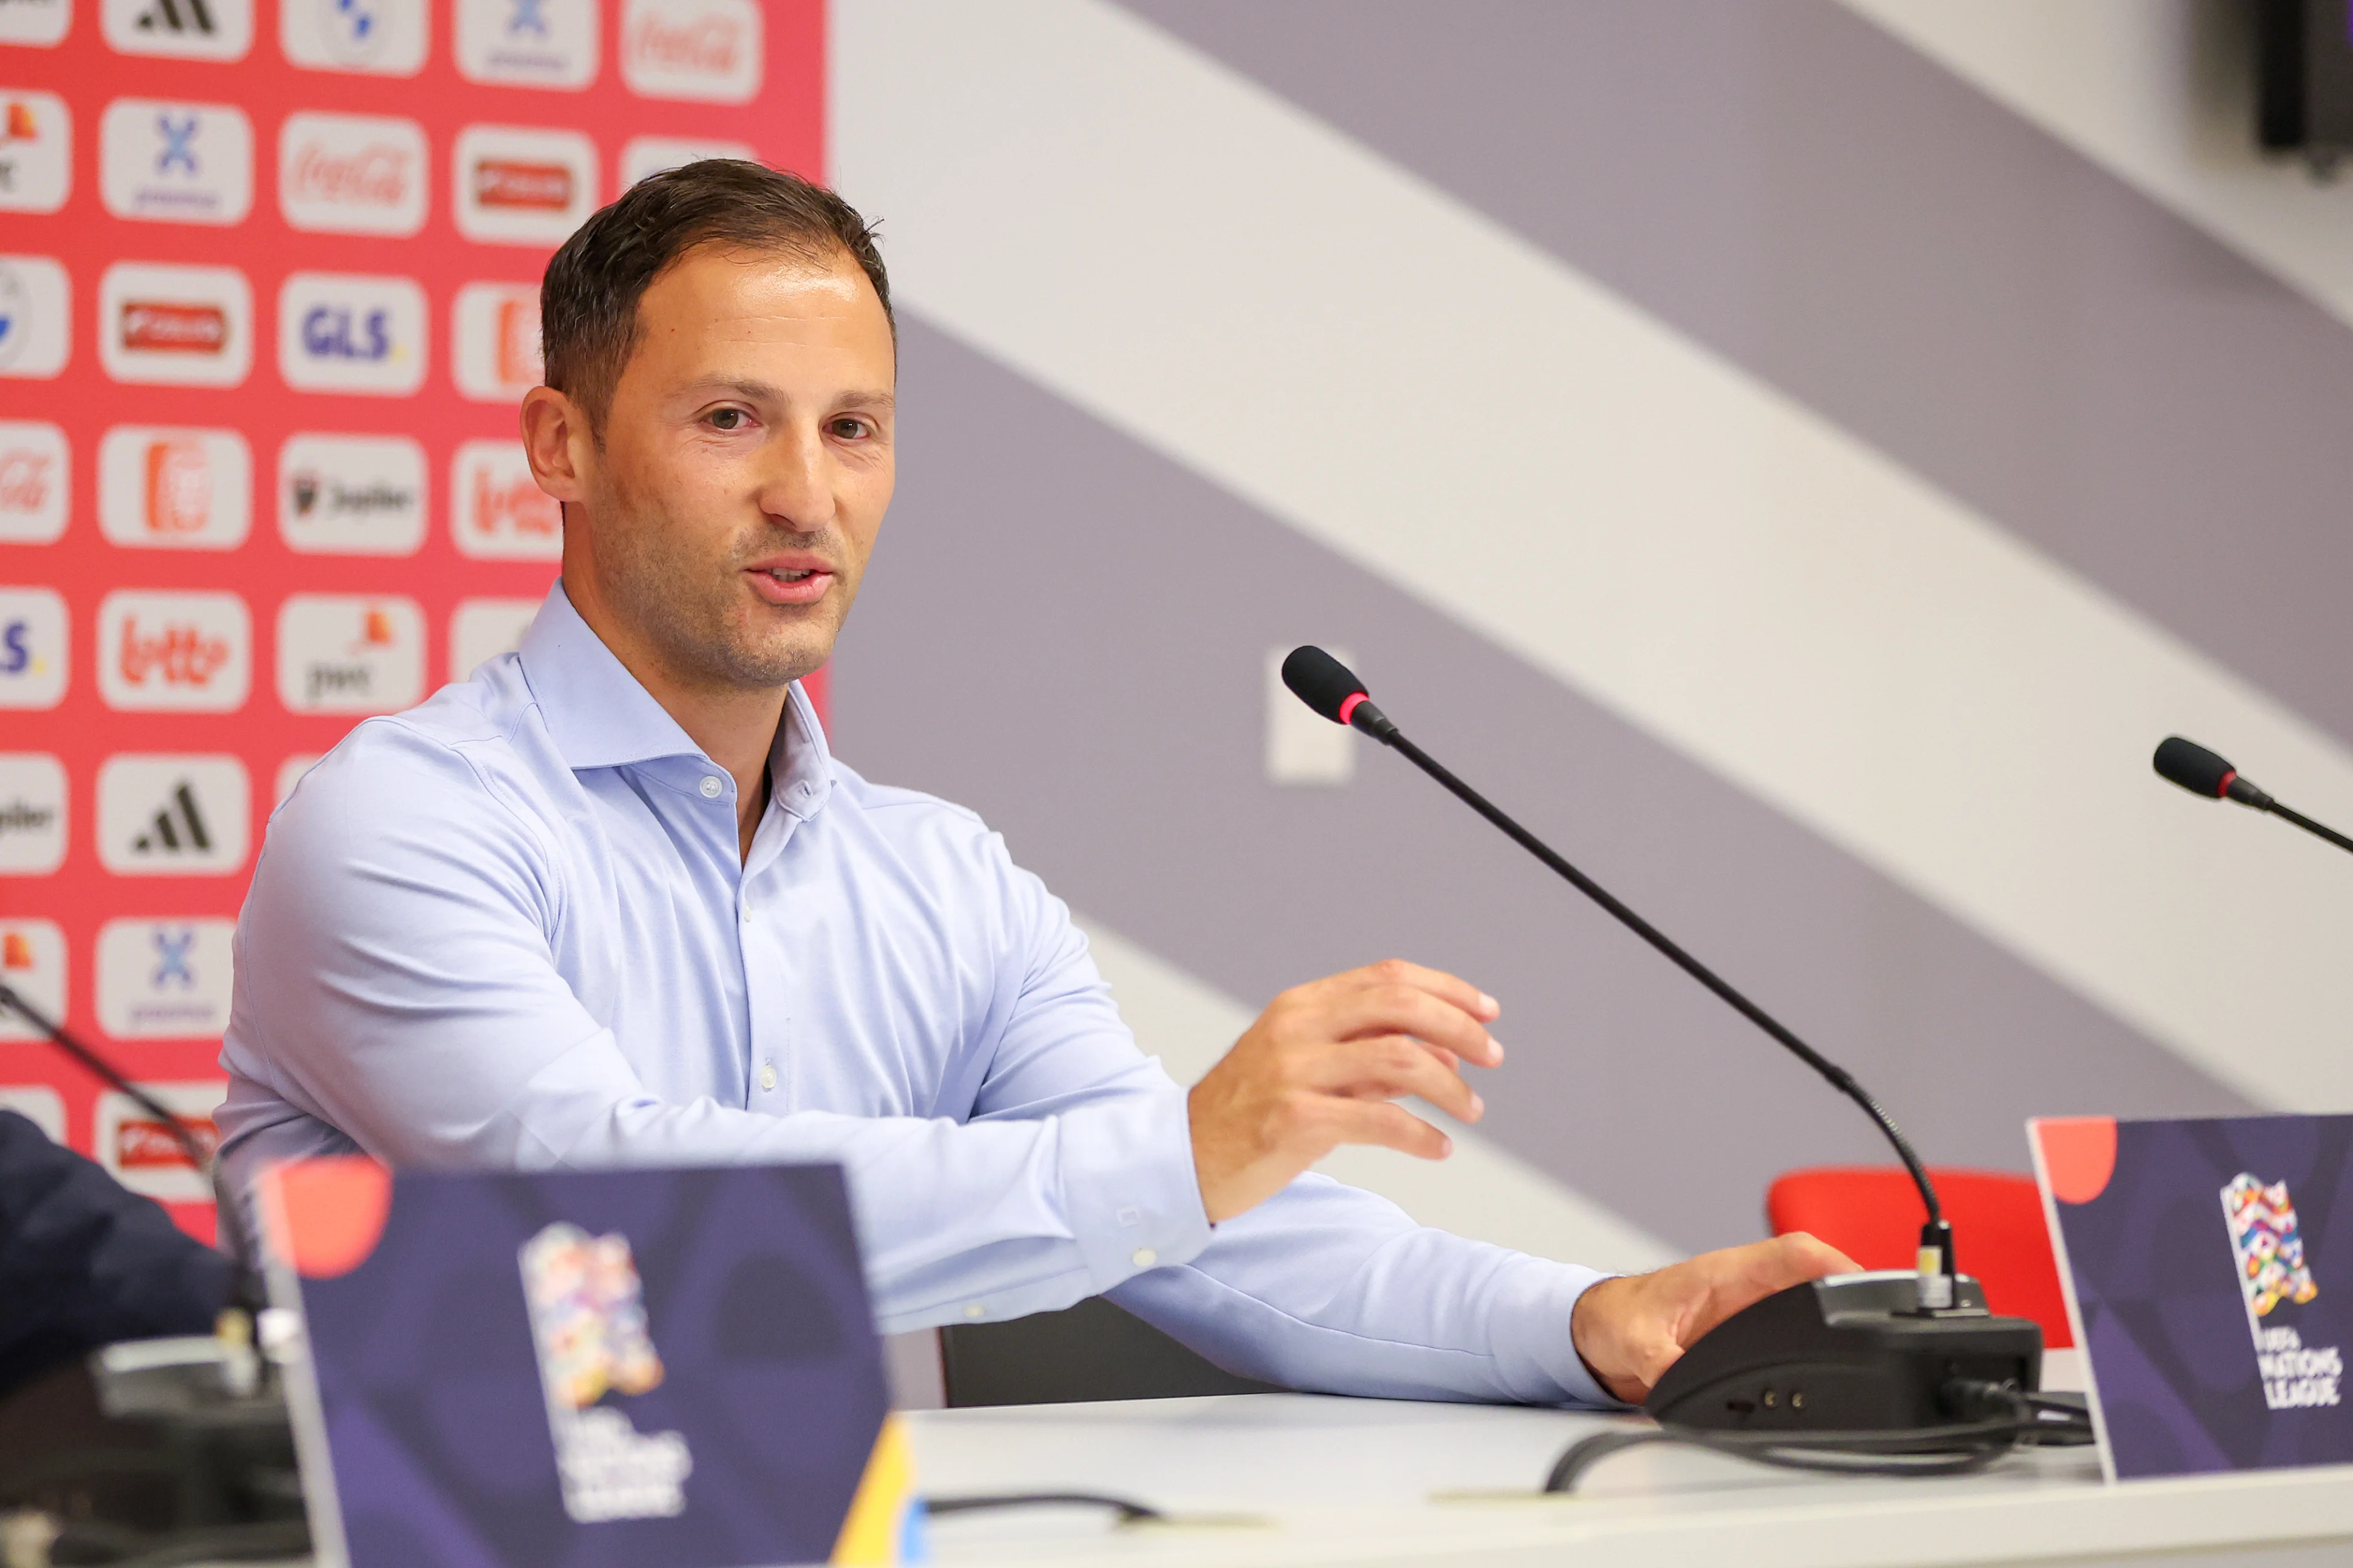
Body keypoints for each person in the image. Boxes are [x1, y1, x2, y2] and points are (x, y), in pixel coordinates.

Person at [217, 161, 1852, 1407]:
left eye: (855, 427)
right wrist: (1180, 1153)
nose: (807, 494)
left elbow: (1210, 1233)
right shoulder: (399, 823)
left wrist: (1585, 1317)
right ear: (560, 447)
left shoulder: (942, 879)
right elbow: (612, 1212)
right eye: (732, 419)